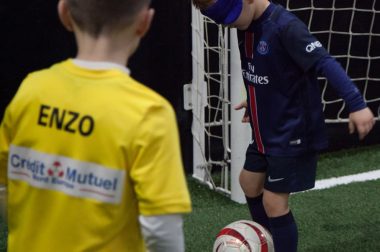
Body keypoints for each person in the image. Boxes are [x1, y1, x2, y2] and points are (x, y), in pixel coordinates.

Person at [0, 0, 192, 251]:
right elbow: (162, 228)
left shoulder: (30, 90)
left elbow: (4, 187)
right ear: (145, 22)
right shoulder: (149, 113)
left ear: (64, 12)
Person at [192, 0, 375, 251]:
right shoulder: (244, 25)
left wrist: (356, 104)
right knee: (248, 182)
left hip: (292, 131)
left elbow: (324, 61)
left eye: (232, 16)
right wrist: (256, 98)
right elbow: (263, 70)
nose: (230, 24)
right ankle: (268, 242)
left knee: (274, 203)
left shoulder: (285, 27)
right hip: (266, 127)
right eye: (223, 20)